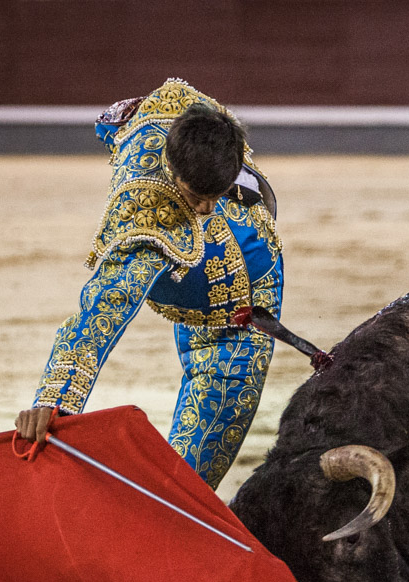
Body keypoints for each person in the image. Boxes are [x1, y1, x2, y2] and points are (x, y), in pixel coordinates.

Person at [15, 79, 283, 489]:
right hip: (202, 296)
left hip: (247, 314)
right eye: (196, 195)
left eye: (219, 193)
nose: (207, 208)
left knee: (185, 482)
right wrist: (55, 399)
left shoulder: (183, 110)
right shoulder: (148, 222)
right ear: (172, 169)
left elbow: (137, 109)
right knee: (182, 492)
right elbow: (101, 311)